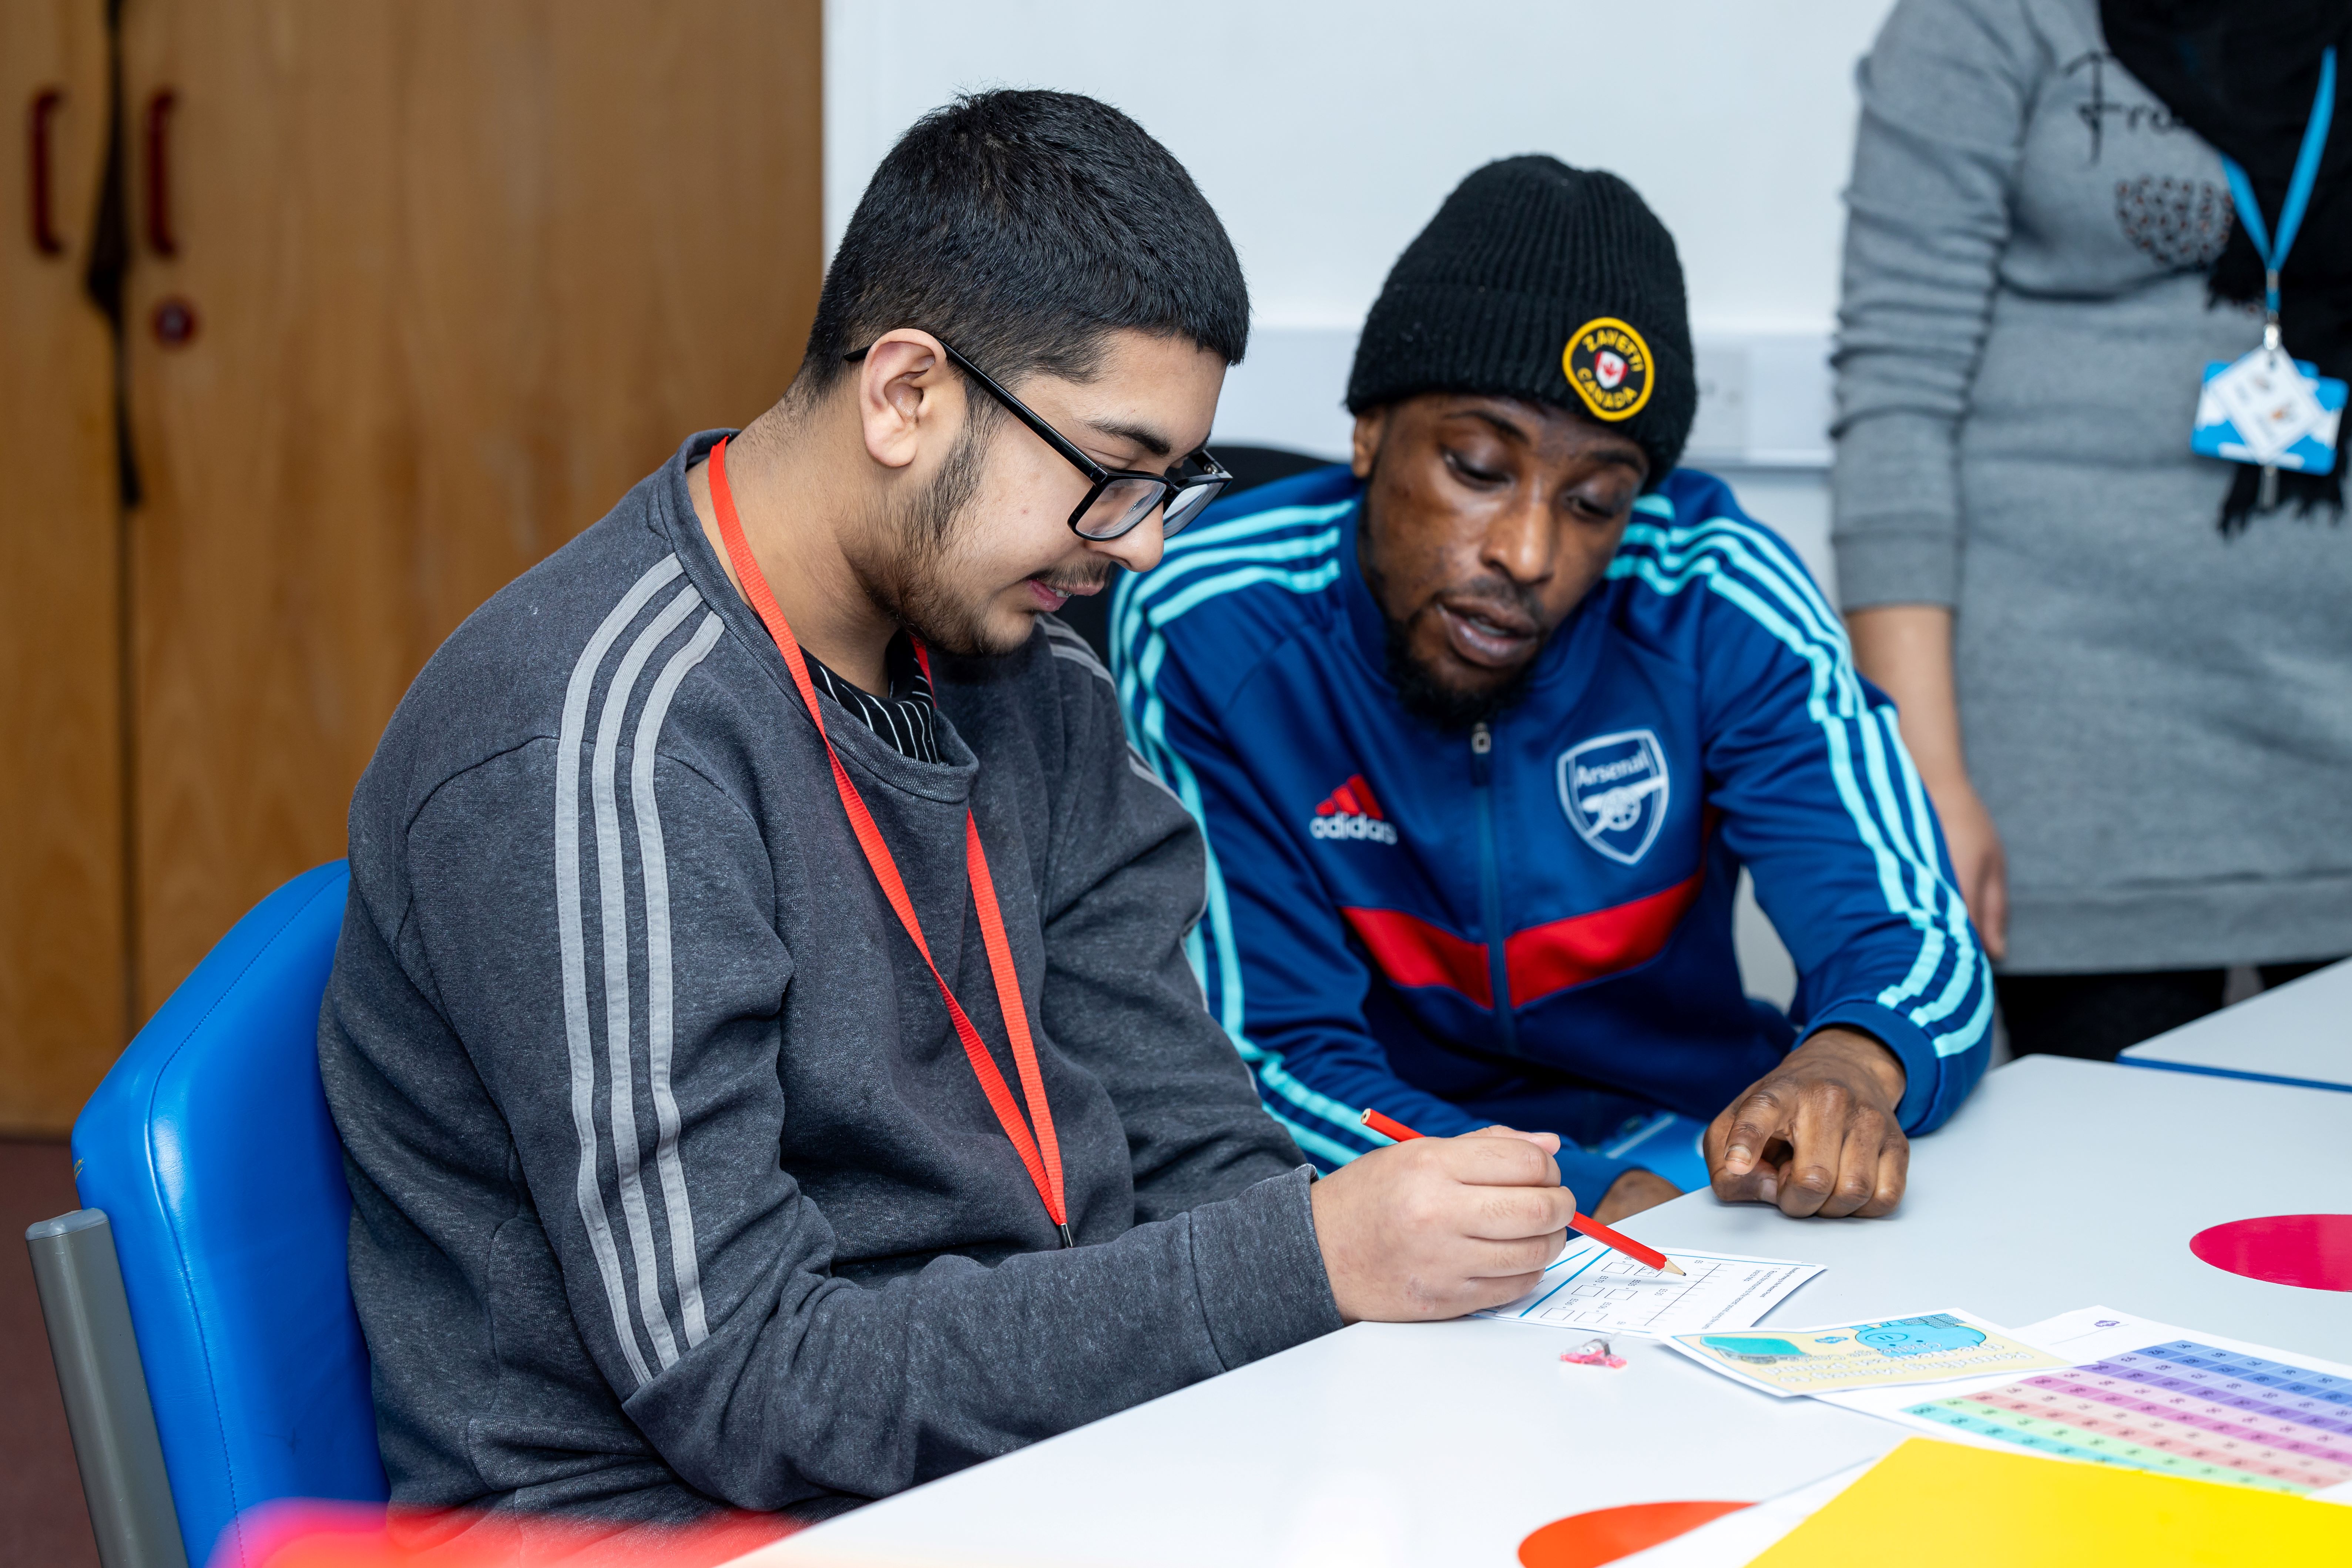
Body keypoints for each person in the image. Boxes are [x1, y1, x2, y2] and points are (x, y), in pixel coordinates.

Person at [320, 92, 1588, 1529]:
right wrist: (1307, 1262)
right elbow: (748, 1383)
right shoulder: (597, 742)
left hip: (1004, 1454)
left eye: (1171, 485)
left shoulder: (1022, 669)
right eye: (1111, 474)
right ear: (905, 394)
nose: (1144, 541)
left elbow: (1187, 1142)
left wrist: (1318, 1310)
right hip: (676, 1520)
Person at [1113, 158, 1993, 1228]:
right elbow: (1266, 1053)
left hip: (1700, 1160)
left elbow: (1912, 936)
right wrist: (1572, 1194)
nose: (1529, 553)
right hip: (1400, 1173)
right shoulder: (1211, 617)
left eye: (1593, 501)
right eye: (1476, 468)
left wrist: (1852, 1067)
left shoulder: (1715, 593)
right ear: (1368, 432)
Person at [1833, 0, 2352, 1063]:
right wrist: (1927, 779)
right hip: (2077, 755)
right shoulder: (1987, 19)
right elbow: (1897, 392)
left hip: (2330, 733)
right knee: (2114, 1192)